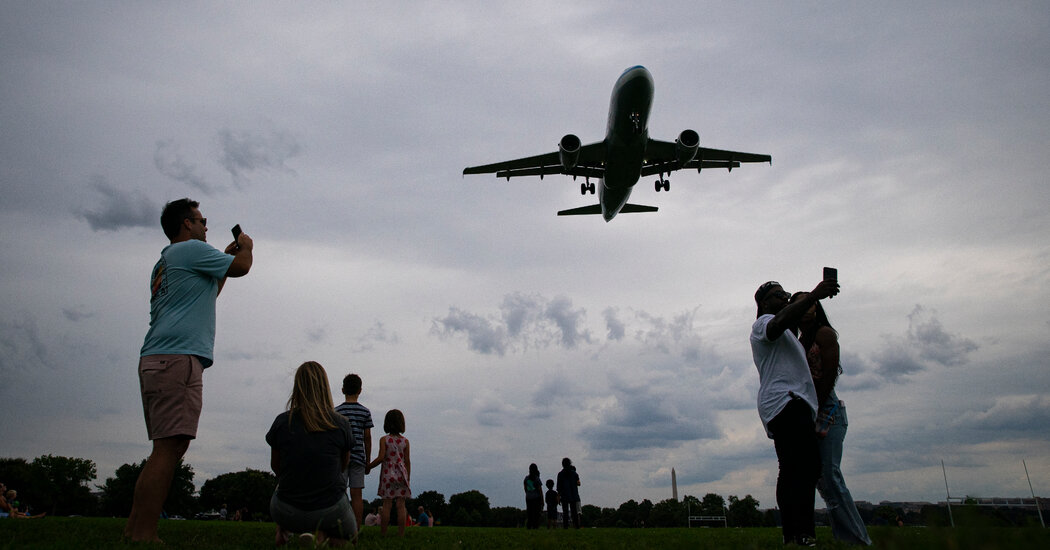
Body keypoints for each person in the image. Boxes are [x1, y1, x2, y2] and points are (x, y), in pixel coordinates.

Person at [125, 198, 253, 543]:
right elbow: (242, 267)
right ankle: (144, 535)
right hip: (177, 360)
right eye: (202, 220)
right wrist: (247, 248)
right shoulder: (192, 249)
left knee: (163, 450)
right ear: (186, 224)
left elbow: (208, 292)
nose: (206, 226)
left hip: (157, 358)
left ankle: (134, 528)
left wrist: (221, 262)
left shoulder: (166, 261)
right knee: (168, 450)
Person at [751, 278, 838, 547]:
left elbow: (789, 321)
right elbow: (777, 324)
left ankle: (799, 533)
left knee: (806, 468)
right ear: (764, 303)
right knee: (794, 468)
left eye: (787, 294)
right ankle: (798, 533)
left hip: (795, 403)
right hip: (785, 402)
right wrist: (812, 296)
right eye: (780, 295)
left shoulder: (789, 335)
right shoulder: (762, 324)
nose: (786, 298)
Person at [790, 292, 872, 546]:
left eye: (811, 303)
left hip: (828, 411)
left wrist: (815, 407)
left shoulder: (824, 334)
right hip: (810, 411)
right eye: (799, 304)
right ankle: (844, 537)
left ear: (817, 307)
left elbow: (830, 374)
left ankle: (859, 539)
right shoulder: (798, 341)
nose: (806, 308)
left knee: (830, 475)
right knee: (823, 481)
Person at [266, 361, 356, 546]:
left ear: (297, 387)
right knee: (349, 540)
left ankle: (284, 529)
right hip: (330, 509)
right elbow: (342, 466)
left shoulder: (282, 422)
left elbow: (276, 467)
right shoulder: (341, 424)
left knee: (281, 485)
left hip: (286, 510)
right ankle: (324, 535)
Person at [335, 373, 374, 531]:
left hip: (340, 458)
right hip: (358, 457)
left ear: (343, 389)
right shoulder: (365, 412)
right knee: (357, 495)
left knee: (339, 494)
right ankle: (356, 528)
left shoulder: (336, 411)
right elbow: (367, 438)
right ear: (360, 390)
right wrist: (368, 460)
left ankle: (339, 525)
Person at [367, 409, 411, 536]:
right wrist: (408, 478)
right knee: (401, 505)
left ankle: (383, 533)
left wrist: (369, 466)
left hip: (388, 474)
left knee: (386, 505)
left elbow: (381, 458)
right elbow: (407, 461)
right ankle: (401, 533)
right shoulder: (405, 441)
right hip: (402, 474)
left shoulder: (384, 439)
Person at [556, 458, 581, 529]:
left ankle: (565, 526)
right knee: (574, 512)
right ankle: (576, 526)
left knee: (565, 512)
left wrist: (558, 496)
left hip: (564, 495)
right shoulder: (574, 473)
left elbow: (559, 487)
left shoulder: (560, 474)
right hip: (573, 494)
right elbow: (578, 483)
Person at [523, 463, 543, 529]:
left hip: (528, 497)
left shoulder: (526, 478)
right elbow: (540, 490)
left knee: (529, 513)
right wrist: (542, 500)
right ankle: (535, 526)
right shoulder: (537, 479)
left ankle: (529, 526)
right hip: (536, 498)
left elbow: (525, 488)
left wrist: (528, 493)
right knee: (536, 513)